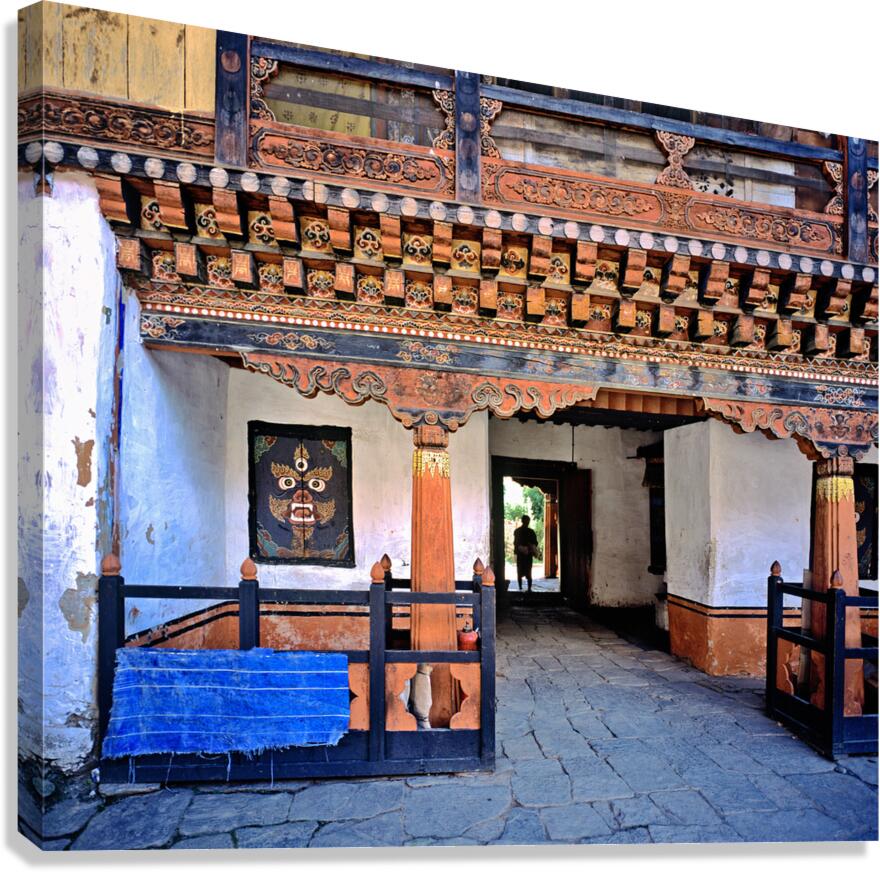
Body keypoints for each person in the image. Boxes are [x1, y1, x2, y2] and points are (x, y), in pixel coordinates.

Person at [513, 515, 539, 592]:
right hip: (527, 555)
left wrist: (519, 549)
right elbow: (535, 543)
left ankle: (521, 588)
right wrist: (530, 547)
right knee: (528, 571)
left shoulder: (517, 531)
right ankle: (528, 588)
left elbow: (515, 543)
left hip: (522, 555)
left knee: (520, 571)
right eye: (527, 521)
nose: (527, 522)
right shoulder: (531, 532)